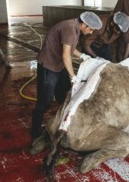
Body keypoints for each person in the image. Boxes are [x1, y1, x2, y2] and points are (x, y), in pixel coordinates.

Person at [31, 11, 102, 139]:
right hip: (49, 66)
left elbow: (69, 48)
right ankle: (35, 130)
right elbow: (65, 54)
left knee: (63, 96)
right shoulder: (69, 28)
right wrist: (73, 76)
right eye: (91, 29)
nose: (91, 32)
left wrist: (82, 56)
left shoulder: (74, 28)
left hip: (59, 65)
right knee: (45, 101)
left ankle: (62, 123)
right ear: (84, 24)